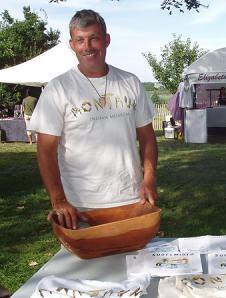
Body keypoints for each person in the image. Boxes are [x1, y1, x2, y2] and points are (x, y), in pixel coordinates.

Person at [30, 9, 158, 230]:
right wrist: (58, 200)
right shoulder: (58, 89)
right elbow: (45, 150)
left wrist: (148, 179)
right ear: (72, 45)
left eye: (94, 38)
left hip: (133, 200)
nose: (87, 47)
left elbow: (147, 138)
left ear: (106, 40)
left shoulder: (130, 82)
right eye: (80, 40)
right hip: (80, 206)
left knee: (136, 261)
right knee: (88, 264)